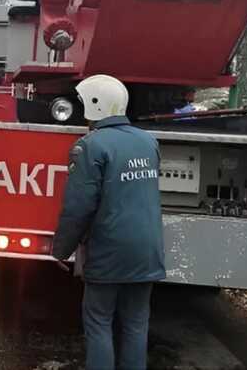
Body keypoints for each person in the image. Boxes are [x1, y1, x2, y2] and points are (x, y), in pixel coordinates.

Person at [52, 75, 166, 370]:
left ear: (94, 104)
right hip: (148, 252)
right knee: (136, 324)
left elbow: (78, 207)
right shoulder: (148, 141)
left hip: (109, 251)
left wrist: (61, 249)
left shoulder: (91, 146)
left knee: (99, 321)